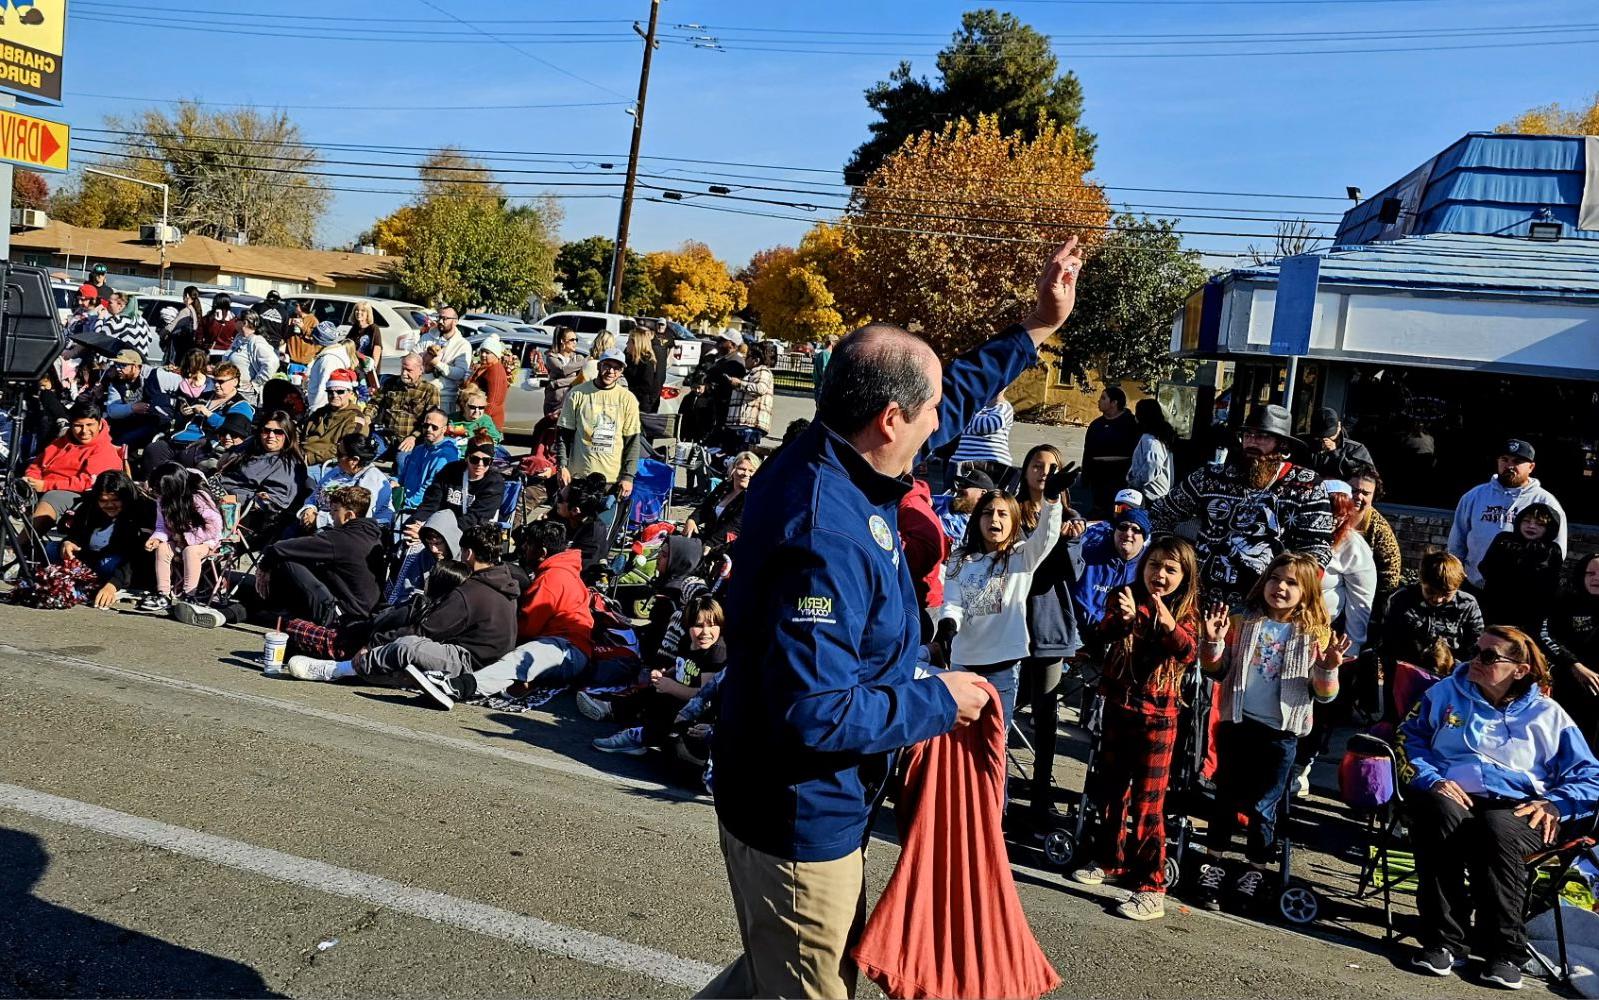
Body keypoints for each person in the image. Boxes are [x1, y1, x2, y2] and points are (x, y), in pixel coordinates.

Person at [703, 239, 1086, 1000]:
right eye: (931, 410)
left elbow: (950, 396)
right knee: (804, 985)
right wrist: (943, 699)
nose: (944, 422)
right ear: (887, 418)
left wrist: (1034, 329)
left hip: (806, 801)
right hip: (797, 816)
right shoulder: (826, 535)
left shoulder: (838, 446)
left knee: (769, 978)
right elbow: (814, 711)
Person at [1397, 626, 1599, 990]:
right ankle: (1443, 941)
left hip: (1520, 807)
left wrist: (1556, 804)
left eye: (1489, 656)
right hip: (1452, 791)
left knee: (1497, 828)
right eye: (1476, 651)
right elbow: (1407, 739)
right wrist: (1431, 779)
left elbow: (1589, 775)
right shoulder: (1445, 693)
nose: (1475, 660)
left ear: (1519, 669)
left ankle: (1504, 951)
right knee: (1439, 813)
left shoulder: (1548, 714)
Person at [1194, 552, 1349, 911]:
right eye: (1275, 578)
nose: (1280, 587)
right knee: (1226, 797)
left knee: (1265, 806)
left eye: (1291, 582)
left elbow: (1323, 695)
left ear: (1308, 592)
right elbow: (1218, 671)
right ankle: (1213, 862)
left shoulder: (1314, 635)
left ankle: (1254, 870)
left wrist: (1328, 668)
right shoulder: (1244, 622)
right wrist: (1213, 644)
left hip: (1281, 733)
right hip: (1238, 723)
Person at [1070, 537, 1201, 922]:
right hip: (1119, 705)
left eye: (1170, 569)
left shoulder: (1189, 611)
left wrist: (1168, 626)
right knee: (1110, 789)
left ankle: (1151, 885)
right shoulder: (1124, 596)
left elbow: (1188, 651)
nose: (1159, 574)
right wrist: (1124, 621)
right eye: (1154, 565)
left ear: (1184, 575)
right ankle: (1111, 860)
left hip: (1159, 716)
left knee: (1148, 804)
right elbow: (1101, 636)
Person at [286, 524, 519, 687]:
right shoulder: (504, 580)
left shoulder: (470, 591)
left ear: (468, 553)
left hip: (469, 660)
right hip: (494, 659)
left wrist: (373, 645)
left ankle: (338, 670)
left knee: (407, 646)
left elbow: (424, 630)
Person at [1150, 404, 1334, 609]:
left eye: (1262, 436)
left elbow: (1317, 549)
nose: (1252, 442)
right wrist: (1170, 562)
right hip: (1201, 600)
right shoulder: (1211, 476)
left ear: (1282, 445)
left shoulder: (1306, 486)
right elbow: (1160, 513)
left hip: (1264, 608)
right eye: (1247, 435)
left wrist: (1293, 591)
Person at [412, 521, 598, 708]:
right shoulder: (565, 572)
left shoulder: (552, 578)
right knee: (519, 662)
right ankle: (514, 683)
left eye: (528, 544)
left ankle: (459, 686)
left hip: (566, 649)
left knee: (520, 660)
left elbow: (527, 629)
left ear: (542, 552)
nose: (524, 548)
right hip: (571, 651)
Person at [935, 478, 1068, 728]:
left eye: (1002, 514)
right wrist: (947, 624)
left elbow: (1046, 538)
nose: (994, 519)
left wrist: (1051, 501)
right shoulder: (959, 559)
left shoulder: (1021, 557)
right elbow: (952, 602)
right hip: (964, 663)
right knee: (960, 740)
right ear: (977, 520)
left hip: (1003, 667)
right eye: (987, 513)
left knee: (995, 740)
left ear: (1013, 521)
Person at [1014, 443, 1086, 826]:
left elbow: (1071, 576)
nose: (1044, 471)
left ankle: (1041, 797)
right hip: (1008, 627)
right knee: (1001, 710)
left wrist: (1071, 540)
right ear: (1024, 470)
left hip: (1049, 626)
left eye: (1052, 466)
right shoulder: (1009, 512)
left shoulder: (1071, 518)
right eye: (1037, 464)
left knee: (1046, 718)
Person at [588, 594, 728, 756]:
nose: (706, 632)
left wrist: (671, 686)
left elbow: (702, 696)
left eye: (712, 625)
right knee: (650, 693)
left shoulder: (717, 652)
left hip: (699, 712)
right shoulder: (687, 642)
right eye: (698, 625)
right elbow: (682, 665)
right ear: (688, 625)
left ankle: (640, 736)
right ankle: (617, 711)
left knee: (667, 708)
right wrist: (665, 674)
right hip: (679, 696)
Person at [257, 485, 386, 626]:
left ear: (349, 515)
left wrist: (263, 568)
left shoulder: (340, 539)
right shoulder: (373, 537)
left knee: (287, 560)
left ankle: (276, 607)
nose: (331, 514)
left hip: (342, 615)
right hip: (365, 614)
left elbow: (278, 548)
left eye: (335, 510)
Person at [1447, 438, 1567, 590]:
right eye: (1504, 459)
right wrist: (1454, 576)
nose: (1509, 465)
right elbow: (1457, 542)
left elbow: (1558, 550)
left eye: (1517, 461)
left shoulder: (1546, 502)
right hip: (1473, 585)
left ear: (1531, 466)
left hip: (1521, 592)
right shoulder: (1474, 496)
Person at [136, 463, 226, 623]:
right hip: (179, 537)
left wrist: (188, 540)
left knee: (190, 551)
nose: (157, 493)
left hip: (206, 540)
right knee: (162, 548)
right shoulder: (163, 500)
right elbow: (161, 526)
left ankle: (189, 595)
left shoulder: (197, 498)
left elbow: (214, 526)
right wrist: (156, 538)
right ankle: (163, 593)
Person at [54, 470, 151, 609]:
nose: (110, 505)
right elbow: (76, 533)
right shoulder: (89, 506)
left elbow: (136, 555)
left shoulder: (141, 511)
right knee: (52, 548)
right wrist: (69, 542)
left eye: (115, 500)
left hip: (120, 566)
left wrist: (113, 585)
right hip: (89, 559)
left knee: (111, 563)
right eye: (104, 501)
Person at [1381, 551, 1485, 680]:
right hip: (1406, 672)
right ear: (1421, 581)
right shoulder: (1401, 599)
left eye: (1446, 594)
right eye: (1430, 591)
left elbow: (1476, 642)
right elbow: (1388, 641)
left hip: (1451, 675)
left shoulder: (1467, 604)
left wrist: (1461, 671)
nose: (1438, 599)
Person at [24, 400, 123, 533]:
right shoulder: (62, 441)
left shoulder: (103, 449)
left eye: (90, 425)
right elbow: (38, 463)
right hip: (46, 485)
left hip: (81, 495)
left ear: (99, 425)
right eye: (78, 425)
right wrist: (30, 479)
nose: (84, 431)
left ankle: (20, 545)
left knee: (53, 497)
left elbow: (87, 482)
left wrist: (45, 485)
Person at [557, 348, 641, 499]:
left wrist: (628, 477)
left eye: (617, 368)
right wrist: (562, 466)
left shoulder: (628, 399)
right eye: (607, 365)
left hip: (611, 479)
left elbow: (632, 442)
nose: (611, 371)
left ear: (622, 372)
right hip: (579, 475)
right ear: (598, 366)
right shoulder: (577, 394)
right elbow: (563, 435)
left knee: (603, 523)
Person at [1477, 502, 1564, 634]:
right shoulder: (1504, 540)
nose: (1531, 526)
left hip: (1529, 614)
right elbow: (1485, 567)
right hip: (1495, 605)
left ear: (1550, 528)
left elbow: (1550, 584)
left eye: (1540, 524)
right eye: (1526, 521)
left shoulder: (1551, 550)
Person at [1541, 554, 1599, 747]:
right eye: (1590, 573)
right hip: (1569, 684)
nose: (1596, 578)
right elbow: (1547, 636)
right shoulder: (1565, 602)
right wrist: (1574, 665)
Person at [1069, 507, 1150, 639]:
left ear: (1144, 538)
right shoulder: (1088, 552)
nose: (1128, 533)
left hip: (1118, 635)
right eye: (1123, 527)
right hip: (1076, 630)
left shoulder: (1146, 566)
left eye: (1136, 530)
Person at [402, 437, 505, 539]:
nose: (480, 464)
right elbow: (431, 503)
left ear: (491, 461)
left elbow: (475, 518)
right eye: (475, 459)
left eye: (486, 461)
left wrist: (435, 533)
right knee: (407, 531)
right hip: (439, 527)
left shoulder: (494, 483)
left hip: (471, 534)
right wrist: (418, 522)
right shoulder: (450, 471)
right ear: (467, 457)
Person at [1319, 481, 1377, 660]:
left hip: (1324, 632)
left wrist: (1352, 646)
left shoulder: (1353, 545)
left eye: (1341, 515)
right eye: (1329, 512)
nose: (1334, 520)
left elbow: (1360, 601)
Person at [216, 412, 307, 516]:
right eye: (266, 430)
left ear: (287, 435)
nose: (271, 436)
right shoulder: (252, 444)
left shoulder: (288, 465)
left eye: (278, 432)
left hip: (236, 509)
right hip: (216, 488)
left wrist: (237, 498)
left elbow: (275, 501)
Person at [300, 434, 395, 529]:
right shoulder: (337, 471)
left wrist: (318, 519)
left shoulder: (372, 480)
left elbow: (357, 516)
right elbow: (316, 494)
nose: (336, 456)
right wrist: (309, 509)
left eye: (340, 454)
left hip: (351, 531)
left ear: (354, 460)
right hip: (318, 522)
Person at [100, 348, 183, 449]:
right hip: (131, 422)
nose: (118, 369)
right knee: (106, 437)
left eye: (123, 365)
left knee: (122, 441)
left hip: (157, 422)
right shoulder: (116, 383)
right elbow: (112, 410)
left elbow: (184, 384)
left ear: (135, 366)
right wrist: (132, 408)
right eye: (117, 365)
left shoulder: (156, 375)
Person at [1083, 384, 1140, 516]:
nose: (1099, 401)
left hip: (1120, 480)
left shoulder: (1131, 424)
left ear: (1114, 403)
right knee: (1098, 512)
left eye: (1103, 398)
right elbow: (1088, 451)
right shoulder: (1096, 425)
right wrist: (1086, 476)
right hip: (1098, 480)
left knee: (1117, 513)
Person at [682, 451, 757, 549]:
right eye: (742, 469)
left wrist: (710, 544)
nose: (746, 474)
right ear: (733, 469)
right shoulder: (724, 487)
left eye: (751, 471)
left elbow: (734, 525)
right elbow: (705, 507)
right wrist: (692, 520)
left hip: (731, 548)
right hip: (707, 540)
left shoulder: (752, 497)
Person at [299, 369, 369, 466]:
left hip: (326, 464)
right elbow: (300, 432)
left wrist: (310, 458)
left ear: (350, 393)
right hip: (300, 456)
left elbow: (347, 448)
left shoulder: (355, 419)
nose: (334, 395)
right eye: (330, 391)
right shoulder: (320, 412)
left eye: (340, 391)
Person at [394, 407, 459, 508]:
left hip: (423, 509)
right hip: (406, 502)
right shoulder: (418, 449)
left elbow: (429, 489)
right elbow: (403, 477)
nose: (429, 429)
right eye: (426, 425)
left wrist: (405, 505)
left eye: (434, 427)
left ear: (444, 429)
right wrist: (391, 482)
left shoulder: (446, 455)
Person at [374, 353, 442, 446]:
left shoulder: (429, 390)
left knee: (403, 460)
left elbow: (431, 420)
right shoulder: (390, 383)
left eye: (409, 370)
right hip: (385, 437)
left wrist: (413, 437)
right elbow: (374, 403)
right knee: (365, 453)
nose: (404, 373)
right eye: (403, 369)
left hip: (410, 440)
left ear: (420, 370)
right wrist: (366, 418)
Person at [946, 391, 1015, 480]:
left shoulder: (1005, 408)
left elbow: (987, 426)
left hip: (993, 464)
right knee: (951, 491)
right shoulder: (971, 406)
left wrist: (969, 413)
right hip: (961, 462)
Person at [722, 341, 776, 450]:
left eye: (747, 357)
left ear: (755, 360)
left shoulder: (762, 371)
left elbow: (760, 389)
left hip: (749, 425)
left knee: (744, 455)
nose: (745, 359)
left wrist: (739, 383)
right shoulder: (751, 372)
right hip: (740, 424)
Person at [419, 306, 472, 416]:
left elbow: (459, 373)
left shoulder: (463, 345)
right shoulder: (426, 338)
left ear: (455, 321)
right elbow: (413, 359)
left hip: (444, 399)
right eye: (439, 318)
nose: (440, 321)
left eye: (445, 318)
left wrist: (436, 364)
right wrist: (425, 362)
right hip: (421, 395)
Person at [1305, 406, 1375, 483]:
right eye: (1320, 436)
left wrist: (1335, 454)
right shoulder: (1304, 443)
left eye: (1329, 435)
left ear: (1339, 426)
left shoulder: (1356, 449)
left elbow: (1366, 478)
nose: (1324, 439)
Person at [224, 311, 279, 406]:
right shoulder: (240, 337)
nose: (234, 321)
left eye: (236, 319)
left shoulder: (257, 342)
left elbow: (273, 362)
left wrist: (256, 383)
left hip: (245, 394)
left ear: (244, 323)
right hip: (231, 389)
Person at [1127, 397, 1177, 502]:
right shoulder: (1159, 437)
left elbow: (1152, 467)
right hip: (1155, 494)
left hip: (1149, 495)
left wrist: (1135, 482)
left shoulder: (1151, 440)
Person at [930, 467, 995, 544]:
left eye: (965, 485)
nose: (959, 489)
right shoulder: (941, 503)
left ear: (983, 493)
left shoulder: (988, 525)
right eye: (960, 485)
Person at [305, 322, 358, 412]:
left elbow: (324, 389)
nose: (312, 343)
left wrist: (314, 413)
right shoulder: (329, 357)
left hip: (322, 410)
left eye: (314, 340)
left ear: (320, 342)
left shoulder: (329, 360)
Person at [540, 327, 585, 420]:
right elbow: (563, 370)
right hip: (554, 401)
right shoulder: (551, 357)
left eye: (576, 339)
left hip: (571, 401)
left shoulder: (578, 358)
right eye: (572, 340)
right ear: (562, 341)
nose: (575, 342)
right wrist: (584, 363)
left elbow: (581, 378)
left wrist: (556, 383)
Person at [467, 335, 511, 430]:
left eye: (487, 353)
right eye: (482, 351)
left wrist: (480, 421)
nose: (483, 355)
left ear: (496, 355)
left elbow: (493, 401)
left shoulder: (495, 371)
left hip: (488, 422)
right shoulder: (487, 367)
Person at [622, 327, 663, 415]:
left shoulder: (646, 362)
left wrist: (626, 391)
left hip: (639, 405)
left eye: (629, 341)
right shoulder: (628, 358)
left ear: (636, 343)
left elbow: (646, 387)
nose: (626, 344)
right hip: (626, 401)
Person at [348, 301, 384, 394]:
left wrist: (373, 368)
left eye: (363, 310)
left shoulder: (373, 328)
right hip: (355, 369)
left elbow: (377, 347)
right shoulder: (354, 328)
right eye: (357, 310)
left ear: (368, 313)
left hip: (368, 370)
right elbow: (346, 345)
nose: (359, 312)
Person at [167, 286, 204, 363]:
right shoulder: (195, 310)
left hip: (180, 346)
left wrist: (163, 332)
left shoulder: (185, 311)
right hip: (189, 345)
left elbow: (172, 326)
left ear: (187, 296)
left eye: (183, 295)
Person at [195, 293, 237, 357]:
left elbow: (198, 339)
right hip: (227, 352)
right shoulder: (235, 321)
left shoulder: (206, 319)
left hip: (209, 351)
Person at [810, 335, 834, 403]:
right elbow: (824, 372)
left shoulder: (824, 354)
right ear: (832, 343)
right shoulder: (825, 354)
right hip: (823, 388)